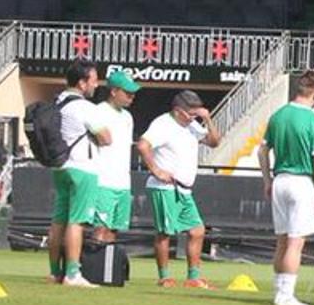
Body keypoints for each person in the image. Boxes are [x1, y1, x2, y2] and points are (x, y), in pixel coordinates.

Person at [258, 70, 314, 305]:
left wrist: (267, 180)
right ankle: (286, 295)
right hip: (301, 182)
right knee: (295, 242)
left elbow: (262, 151)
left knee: (282, 240)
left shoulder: (278, 115)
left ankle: (279, 291)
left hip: (280, 180)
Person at [136, 89, 220, 288]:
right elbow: (143, 145)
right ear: (177, 110)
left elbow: (214, 142)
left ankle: (193, 277)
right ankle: (164, 276)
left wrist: (207, 120)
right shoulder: (162, 124)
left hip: (184, 189)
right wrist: (156, 170)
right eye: (190, 111)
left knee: (197, 230)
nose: (193, 115)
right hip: (165, 187)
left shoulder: (192, 126)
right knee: (165, 232)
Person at [46, 61, 108, 287]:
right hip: (83, 167)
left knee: (58, 221)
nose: (96, 84)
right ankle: (72, 273)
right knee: (77, 221)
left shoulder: (57, 102)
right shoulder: (85, 107)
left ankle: (54, 273)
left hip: (60, 167)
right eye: (93, 80)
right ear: (82, 83)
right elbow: (106, 137)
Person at [89, 70, 140, 250]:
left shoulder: (128, 117)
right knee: (100, 228)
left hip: (123, 182)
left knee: (114, 229)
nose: (131, 97)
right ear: (113, 91)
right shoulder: (99, 111)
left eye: (133, 93)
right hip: (103, 180)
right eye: (127, 93)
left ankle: (106, 270)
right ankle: (92, 266)